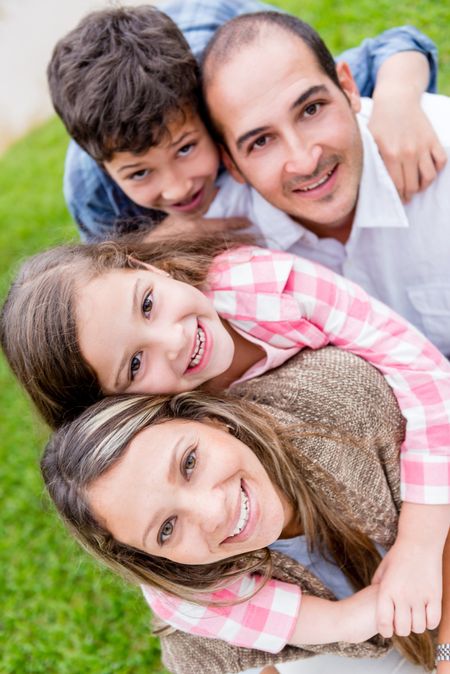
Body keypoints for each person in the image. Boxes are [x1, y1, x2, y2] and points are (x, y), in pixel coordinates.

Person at [1, 235, 449, 644]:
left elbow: (423, 373)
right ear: (112, 410)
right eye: (135, 364)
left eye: (148, 304)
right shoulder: (147, 454)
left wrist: (419, 544)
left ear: (148, 268)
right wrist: (349, 620)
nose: (173, 339)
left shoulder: (262, 286)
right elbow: (169, 588)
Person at [40, 347, 441, 673]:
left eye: (189, 463)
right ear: (156, 562)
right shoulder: (200, 628)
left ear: (211, 420)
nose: (213, 512)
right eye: (166, 529)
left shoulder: (338, 400)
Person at [48, 3, 443, 240]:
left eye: (186, 148)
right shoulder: (91, 188)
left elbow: (394, 45)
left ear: (202, 114)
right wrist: (155, 241)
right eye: (138, 174)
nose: (178, 188)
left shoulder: (224, 88)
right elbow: (106, 274)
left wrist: (396, 100)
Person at [200, 11, 450, 356]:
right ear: (232, 164)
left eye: (312, 109)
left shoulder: (442, 150)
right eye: (260, 142)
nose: (305, 160)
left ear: (348, 88)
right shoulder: (214, 245)